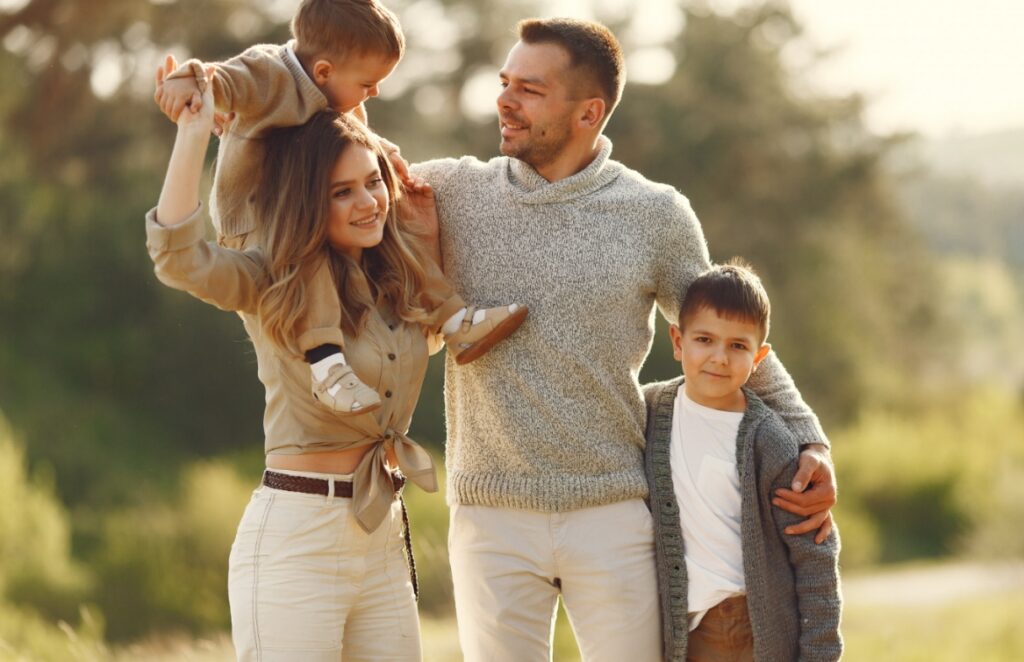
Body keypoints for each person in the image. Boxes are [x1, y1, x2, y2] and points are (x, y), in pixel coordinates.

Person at [408, 18, 839, 661]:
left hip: (613, 510)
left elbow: (725, 335)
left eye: (529, 88)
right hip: (489, 515)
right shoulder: (449, 190)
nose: (503, 100)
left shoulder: (655, 214)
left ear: (589, 111)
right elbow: (339, 163)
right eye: (505, 83)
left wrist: (811, 440)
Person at [148, 73, 443, 659]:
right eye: (341, 192)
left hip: (381, 528)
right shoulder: (270, 279)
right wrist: (193, 130)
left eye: (371, 183)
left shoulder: (392, 283)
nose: (367, 203)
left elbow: (433, 336)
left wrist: (425, 233)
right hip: (298, 535)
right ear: (309, 200)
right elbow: (178, 259)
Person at [154, 0, 527, 417]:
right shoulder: (270, 72)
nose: (375, 92)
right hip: (257, 220)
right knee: (309, 257)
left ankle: (455, 321)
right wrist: (185, 83)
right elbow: (218, 79)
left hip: (305, 213)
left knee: (397, 237)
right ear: (324, 72)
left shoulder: (339, 96)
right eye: (368, 83)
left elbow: (351, 139)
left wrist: (386, 158)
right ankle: (328, 365)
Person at [643, 261, 842, 661]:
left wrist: (820, 651)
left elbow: (815, 550)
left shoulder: (768, 440)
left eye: (738, 345)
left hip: (744, 625)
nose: (719, 357)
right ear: (678, 342)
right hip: (680, 626)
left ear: (759, 357)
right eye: (704, 339)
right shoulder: (649, 410)